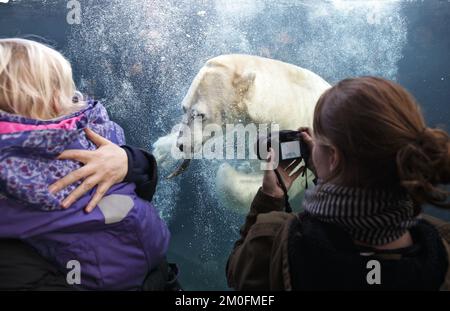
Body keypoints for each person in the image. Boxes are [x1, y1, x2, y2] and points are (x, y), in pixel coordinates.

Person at [227, 76, 450, 290]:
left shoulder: (276, 241)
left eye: (320, 142)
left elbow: (238, 274)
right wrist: (332, 173)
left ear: (333, 157)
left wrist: (270, 199)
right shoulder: (441, 245)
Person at [0, 38, 170, 290]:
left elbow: (141, 186)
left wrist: (129, 161)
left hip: (155, 273)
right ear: (52, 100)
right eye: (66, 89)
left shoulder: (83, 135)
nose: (77, 98)